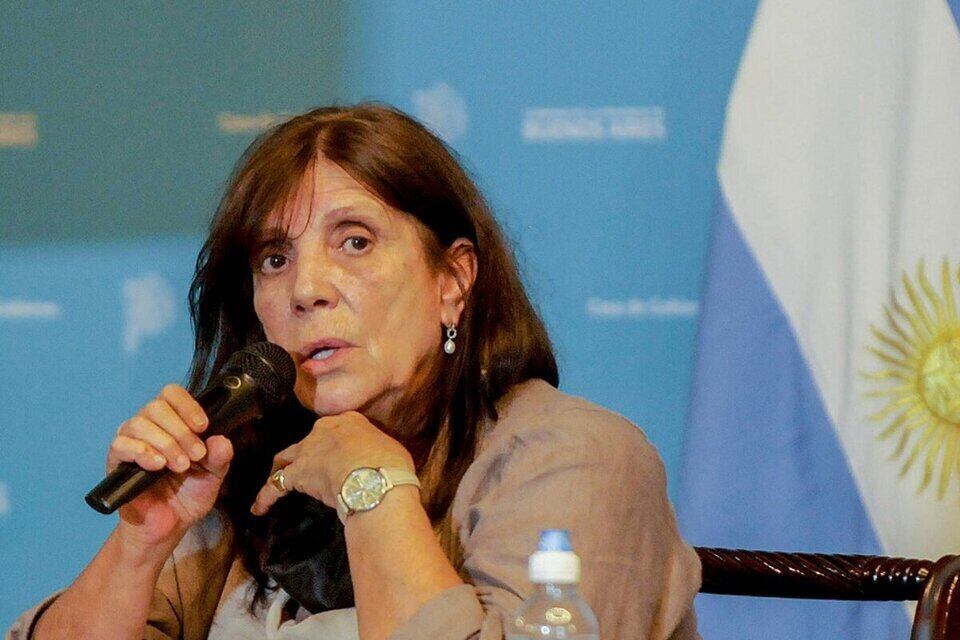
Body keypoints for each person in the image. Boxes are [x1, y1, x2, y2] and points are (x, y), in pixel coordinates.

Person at [6, 104, 700, 640]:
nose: (307, 289)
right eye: (275, 259)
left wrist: (370, 482)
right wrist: (140, 544)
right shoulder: (242, 470)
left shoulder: (575, 458)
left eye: (356, 242)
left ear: (453, 281)